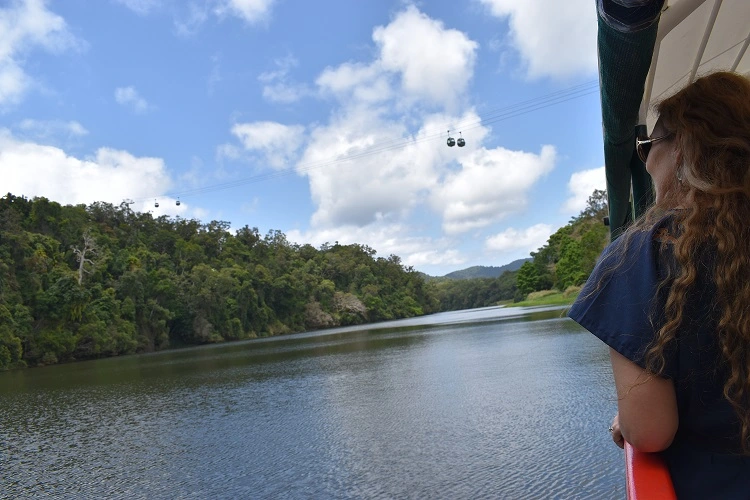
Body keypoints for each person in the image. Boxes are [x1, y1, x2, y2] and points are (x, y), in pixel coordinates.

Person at [568, 71, 750, 499]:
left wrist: (627, 420)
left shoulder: (646, 252)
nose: (646, 161)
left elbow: (649, 432)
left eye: (648, 146)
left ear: (683, 149)